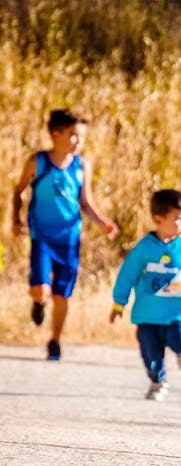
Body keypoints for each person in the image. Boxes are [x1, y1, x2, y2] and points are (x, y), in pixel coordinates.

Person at [11, 108, 119, 361]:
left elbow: (86, 201)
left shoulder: (82, 165)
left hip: (69, 239)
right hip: (42, 237)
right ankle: (38, 303)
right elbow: (18, 192)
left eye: (81, 136)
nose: (79, 141)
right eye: (73, 135)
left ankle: (55, 341)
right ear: (55, 134)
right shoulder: (38, 162)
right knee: (41, 289)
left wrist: (102, 221)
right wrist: (15, 219)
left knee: (62, 294)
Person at [110, 190, 181, 401]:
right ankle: (157, 383)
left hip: (179, 313)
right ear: (158, 220)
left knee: (179, 339)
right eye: (178, 219)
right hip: (147, 315)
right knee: (150, 352)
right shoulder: (144, 248)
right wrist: (118, 303)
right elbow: (127, 275)